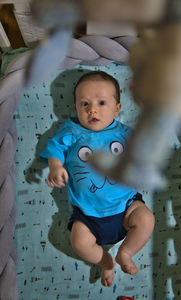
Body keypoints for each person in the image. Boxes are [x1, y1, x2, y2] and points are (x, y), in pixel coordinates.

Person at [40, 71, 155, 287]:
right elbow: (55, 148)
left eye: (102, 102)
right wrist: (55, 166)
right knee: (79, 242)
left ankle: (126, 253)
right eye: (84, 103)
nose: (92, 109)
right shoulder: (72, 131)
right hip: (87, 215)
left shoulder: (124, 133)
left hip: (126, 206)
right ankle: (105, 262)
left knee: (147, 219)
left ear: (117, 108)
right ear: (75, 107)